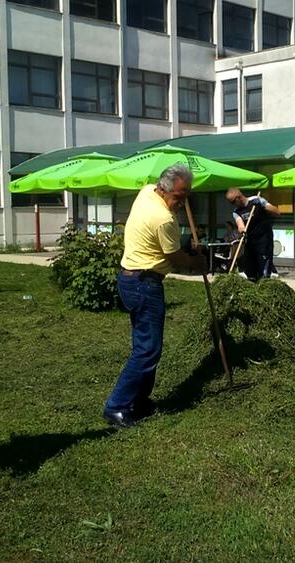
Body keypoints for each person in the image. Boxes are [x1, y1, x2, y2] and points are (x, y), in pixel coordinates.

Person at [103, 165, 206, 429]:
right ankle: (116, 407)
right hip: (144, 283)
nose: (182, 203)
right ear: (165, 189)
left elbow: (168, 246)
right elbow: (174, 257)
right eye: (179, 196)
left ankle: (140, 402)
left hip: (130, 279)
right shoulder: (163, 219)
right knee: (147, 349)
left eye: (186, 196)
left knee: (147, 346)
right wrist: (197, 261)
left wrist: (188, 248)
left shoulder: (147, 191)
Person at [227, 188, 281, 281]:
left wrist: (263, 205)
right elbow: (240, 225)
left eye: (232, 202)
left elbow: (277, 211)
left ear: (239, 197)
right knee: (250, 265)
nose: (232, 205)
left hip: (264, 237)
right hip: (250, 239)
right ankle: (253, 282)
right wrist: (242, 230)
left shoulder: (256, 200)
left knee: (263, 262)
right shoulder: (236, 212)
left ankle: (266, 280)